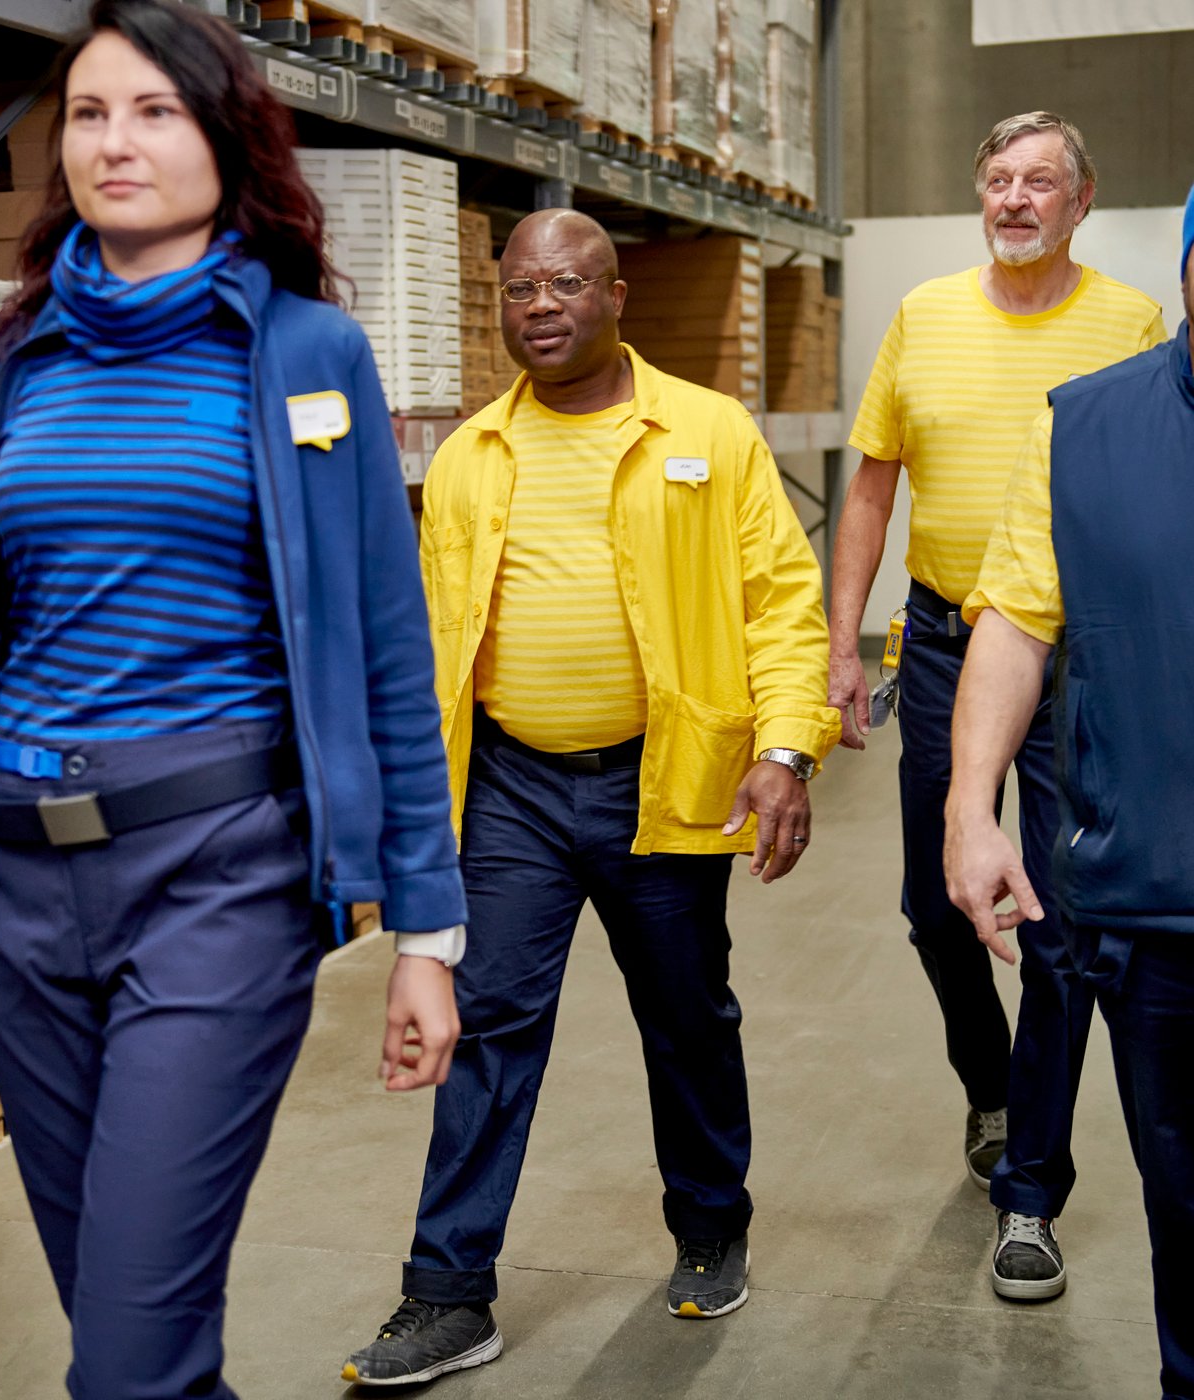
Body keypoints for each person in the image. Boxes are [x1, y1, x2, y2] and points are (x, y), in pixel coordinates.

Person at [0, 3, 467, 1396]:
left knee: (125, 1365)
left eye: (156, 110)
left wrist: (427, 928)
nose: (117, 141)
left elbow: (388, 658)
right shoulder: (7, 360)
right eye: (90, 113)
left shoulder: (305, 357)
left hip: (220, 879)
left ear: (228, 136)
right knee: (133, 1337)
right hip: (20, 903)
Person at [341, 209, 839, 1387]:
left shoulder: (705, 431)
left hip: (660, 777)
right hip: (509, 788)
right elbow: (428, 642)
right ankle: (447, 1290)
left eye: (565, 283)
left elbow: (779, 598)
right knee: (486, 1029)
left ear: (616, 296)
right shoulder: (467, 454)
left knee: (684, 1014)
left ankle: (711, 1219)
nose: (541, 306)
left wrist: (788, 747)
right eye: (518, 290)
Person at [829, 111, 1165, 1300]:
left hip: (1080, 658)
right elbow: (868, 488)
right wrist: (839, 642)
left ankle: (1029, 1185)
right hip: (936, 639)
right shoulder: (922, 315)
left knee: (1061, 921)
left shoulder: (1130, 321)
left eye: (1039, 183)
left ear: (1080, 203)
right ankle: (990, 1084)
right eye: (997, 180)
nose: (1014, 199)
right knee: (935, 902)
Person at [944, 180, 1194, 1400]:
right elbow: (1013, 624)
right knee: (1188, 1219)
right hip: (1159, 905)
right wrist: (969, 803)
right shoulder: (1085, 427)